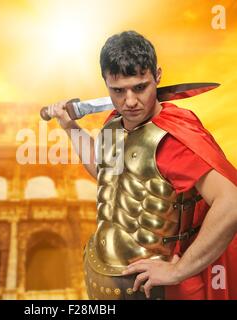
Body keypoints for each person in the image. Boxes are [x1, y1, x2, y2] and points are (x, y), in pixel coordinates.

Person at [46, 30, 237, 300]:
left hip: (165, 290)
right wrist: (70, 127)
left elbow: (231, 203)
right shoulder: (114, 123)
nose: (130, 101)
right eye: (118, 90)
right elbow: (106, 174)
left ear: (157, 77)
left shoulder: (173, 139)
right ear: (105, 83)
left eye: (140, 87)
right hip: (106, 280)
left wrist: (179, 270)